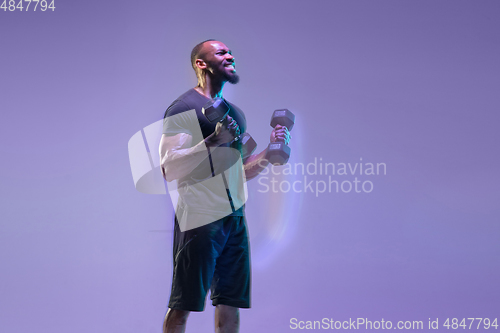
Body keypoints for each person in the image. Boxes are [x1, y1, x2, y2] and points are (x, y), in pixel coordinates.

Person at [159, 39, 291, 333]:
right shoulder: (184, 107)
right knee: (184, 304)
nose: (230, 55)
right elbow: (170, 169)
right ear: (201, 64)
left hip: (234, 219)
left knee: (229, 303)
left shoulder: (235, 114)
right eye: (221, 53)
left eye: (230, 52)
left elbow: (239, 173)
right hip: (199, 218)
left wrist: (269, 154)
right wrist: (212, 141)